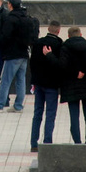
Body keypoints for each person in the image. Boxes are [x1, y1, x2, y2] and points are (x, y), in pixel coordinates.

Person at [0, 0, 33, 113]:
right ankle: (18, 106)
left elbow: (5, 36)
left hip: (12, 54)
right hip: (24, 53)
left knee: (5, 80)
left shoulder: (11, 18)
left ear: (11, 5)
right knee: (21, 80)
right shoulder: (26, 18)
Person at [29, 21, 63, 153]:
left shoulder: (38, 43)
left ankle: (34, 143)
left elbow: (32, 63)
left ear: (48, 29)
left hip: (39, 83)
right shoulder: (59, 45)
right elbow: (60, 65)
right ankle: (47, 141)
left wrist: (34, 80)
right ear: (58, 31)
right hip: (52, 85)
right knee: (50, 113)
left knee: (37, 113)